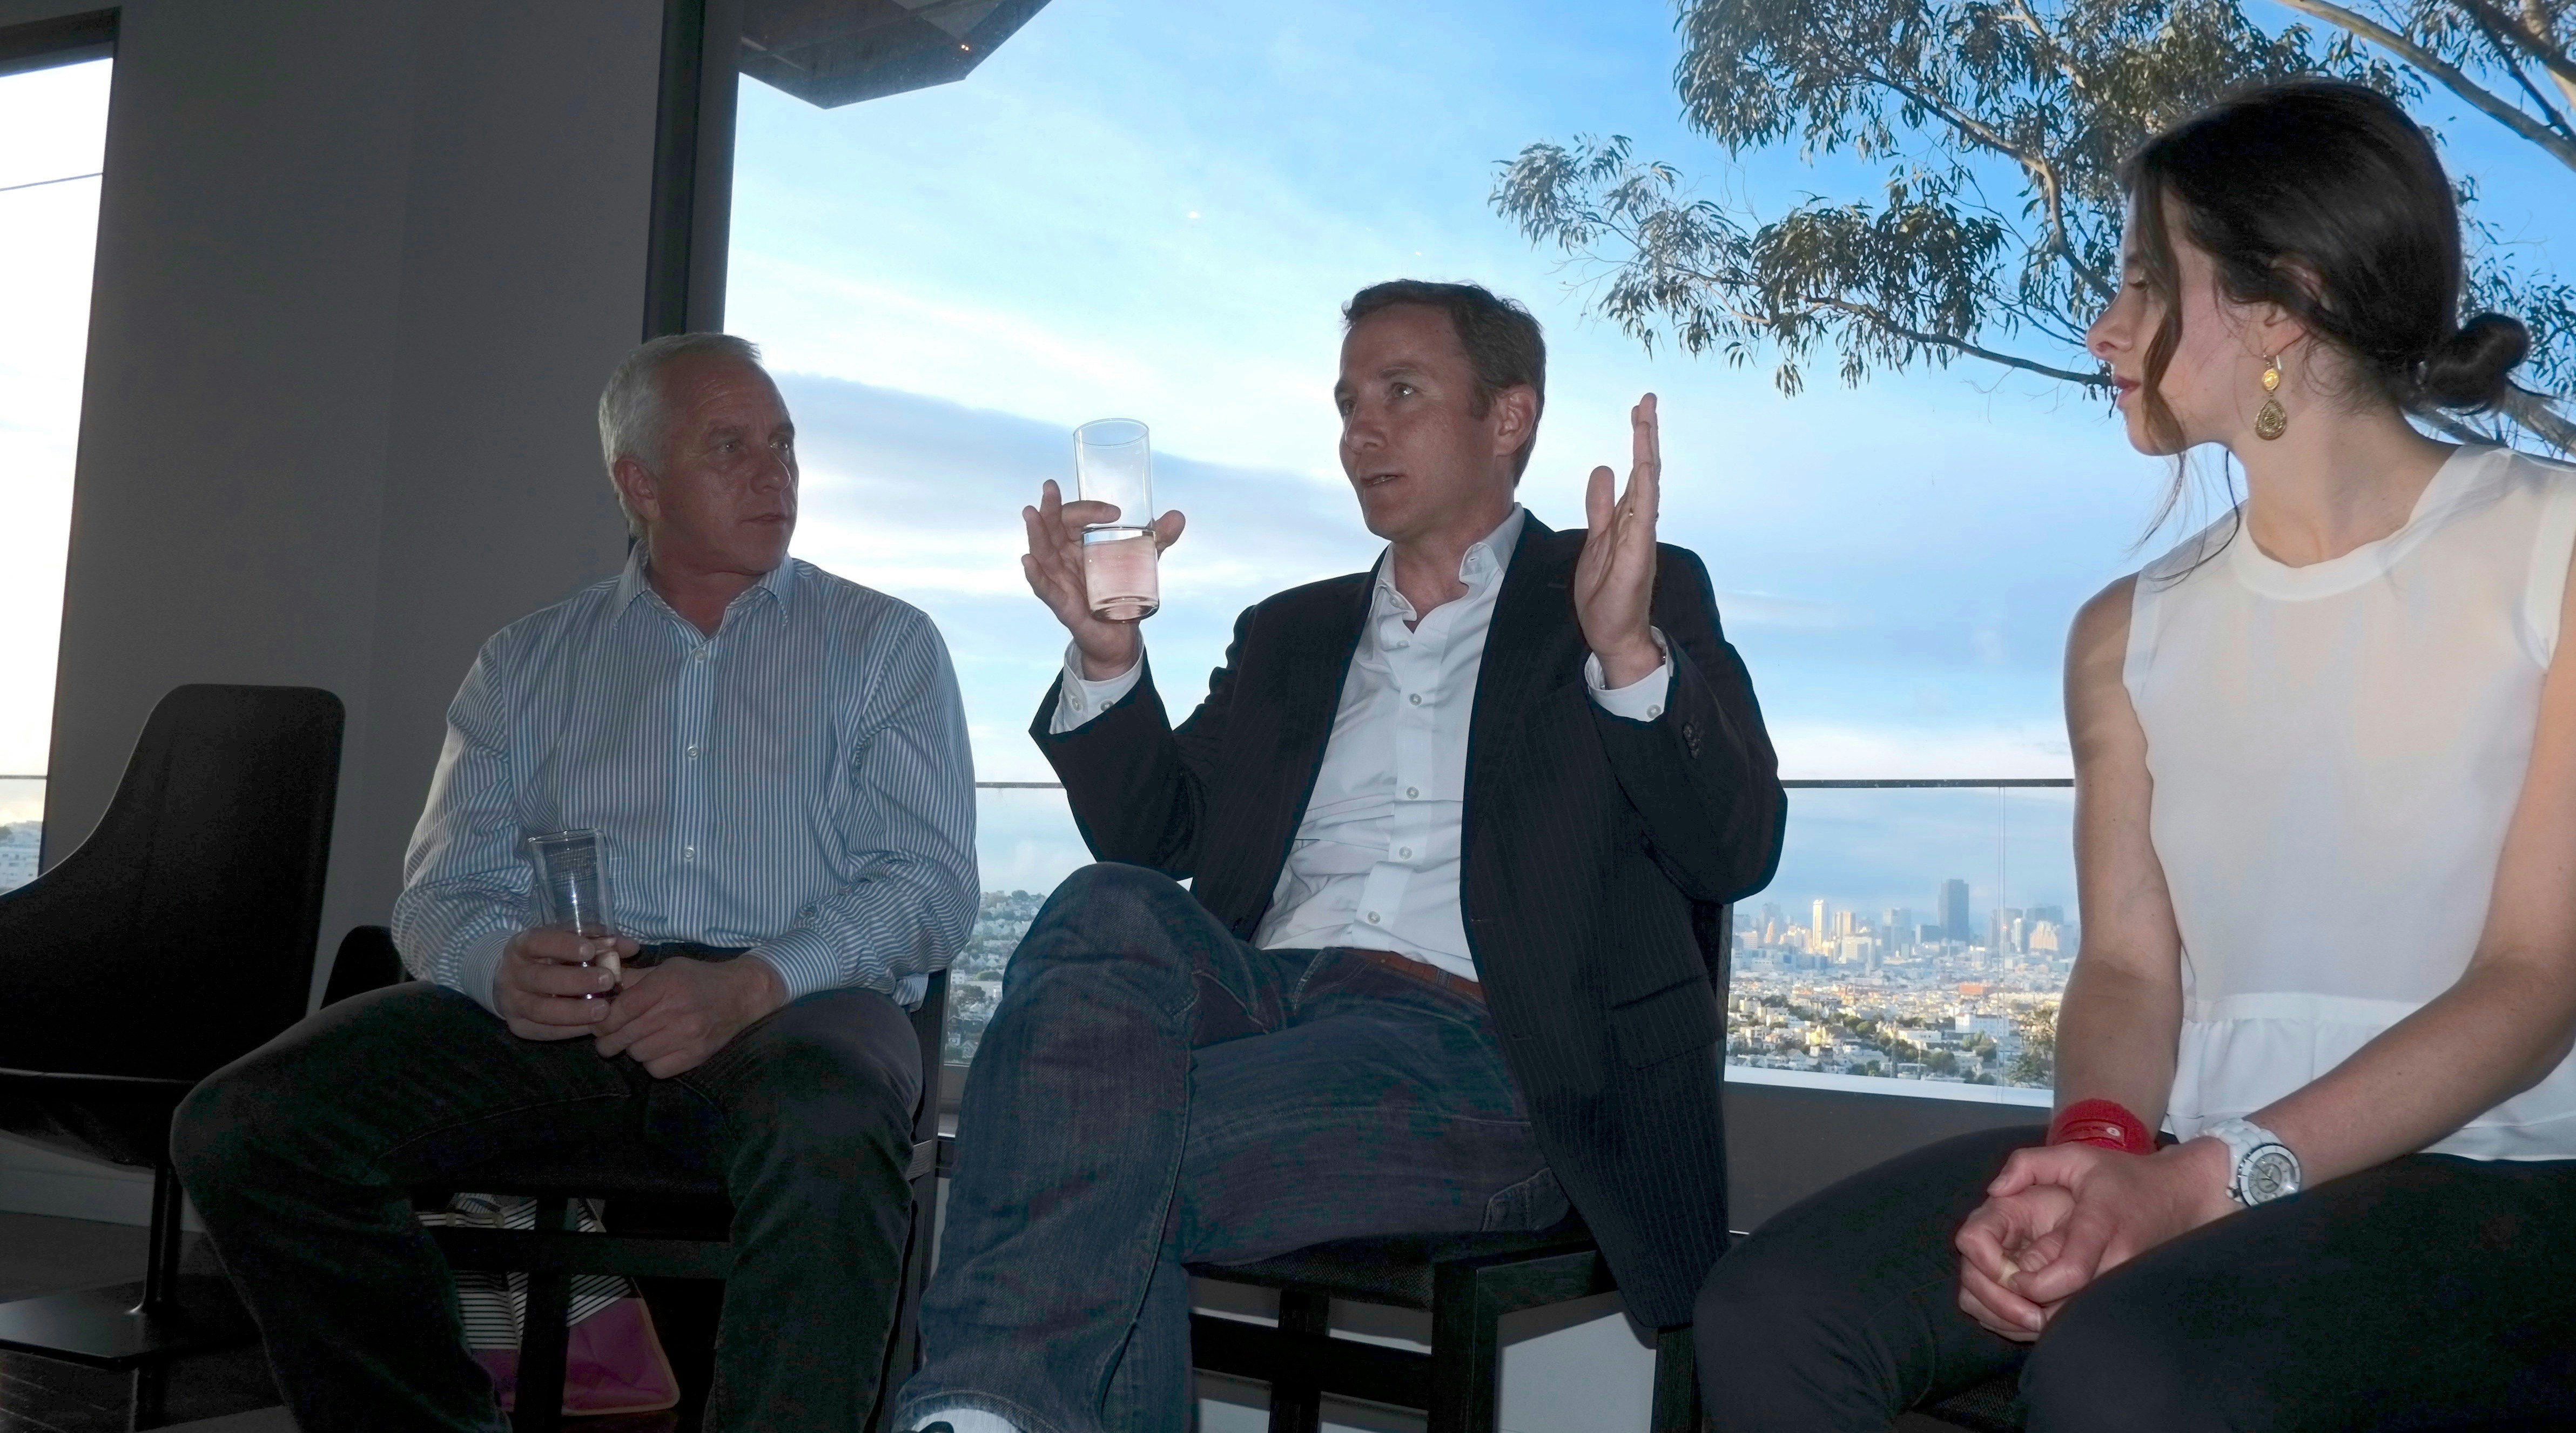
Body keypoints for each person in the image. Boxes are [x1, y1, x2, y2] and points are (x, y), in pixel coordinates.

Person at [1693, 79, 2576, 1431]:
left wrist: (2203, 1183)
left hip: (2526, 1165)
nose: (2106, 326)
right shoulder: (2124, 635)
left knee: (2132, 1372)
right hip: (2198, 1142)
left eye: (2145, 282)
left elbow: (2536, 980)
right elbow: (2132, 967)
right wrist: (2093, 1158)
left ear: (2276, 304)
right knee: (1773, 1314)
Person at [892, 280, 1783, 1433]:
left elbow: (1736, 843)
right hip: (1261, 1000)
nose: (1361, 429)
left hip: (1483, 1049)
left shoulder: (1623, 591)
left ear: (1508, 417)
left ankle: (977, 1410)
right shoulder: (1290, 632)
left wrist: (1624, 649)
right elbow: (1154, 838)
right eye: (1347, 400)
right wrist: (1104, 655)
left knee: (1080, 1151)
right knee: (1104, 905)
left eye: (1400, 393)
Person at [170, 332, 979, 1432]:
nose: (774, 471)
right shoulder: (525, 662)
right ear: (636, 482)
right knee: (246, 1127)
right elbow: (442, 888)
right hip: (567, 1008)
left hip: (800, 1004)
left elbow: (929, 886)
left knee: (828, 1123)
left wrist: (751, 982)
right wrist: (495, 964)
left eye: (783, 442)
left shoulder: (884, 645)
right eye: (730, 445)